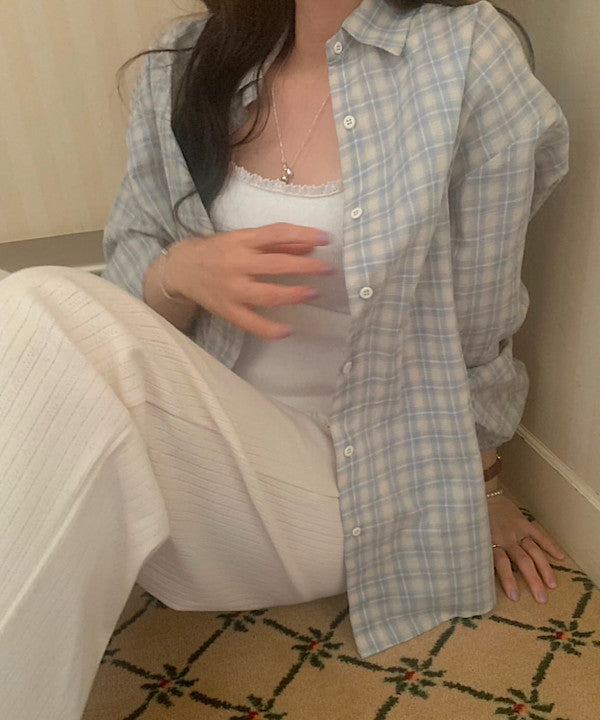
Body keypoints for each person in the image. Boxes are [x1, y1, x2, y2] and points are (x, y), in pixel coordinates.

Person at [0, 0, 569, 717]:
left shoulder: (468, 55)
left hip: (357, 483)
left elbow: (482, 315)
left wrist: (483, 488)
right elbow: (128, 276)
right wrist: (180, 271)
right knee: (25, 312)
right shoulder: (189, 58)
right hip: (195, 449)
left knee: (38, 304)